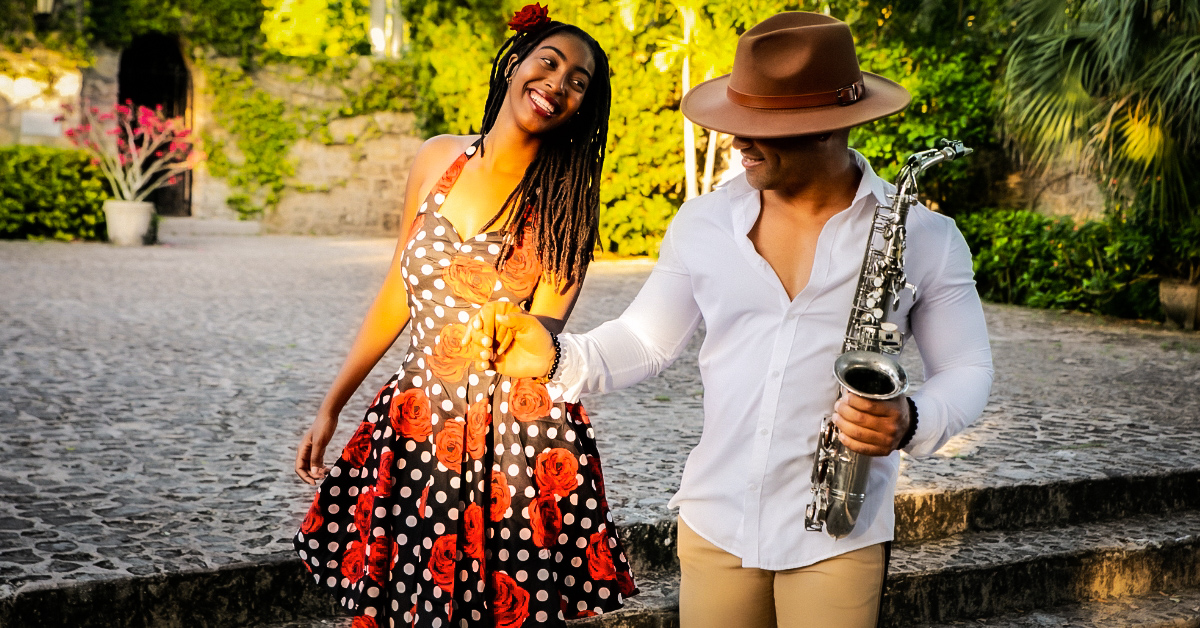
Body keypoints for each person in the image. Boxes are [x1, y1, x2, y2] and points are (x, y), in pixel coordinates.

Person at [463, 12, 993, 628]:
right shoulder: (703, 222)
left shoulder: (926, 237)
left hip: (837, 532)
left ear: (827, 130)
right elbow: (644, 339)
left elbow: (967, 368)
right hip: (715, 522)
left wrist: (911, 419)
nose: (737, 141)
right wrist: (554, 354)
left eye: (758, 128)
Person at [292, 6, 639, 627]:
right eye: (550, 62)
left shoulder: (567, 201)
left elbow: (545, 339)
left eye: (579, 81)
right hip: (417, 425)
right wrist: (333, 403)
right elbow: (398, 290)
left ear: (584, 106)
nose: (558, 83)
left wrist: (515, 324)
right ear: (516, 63)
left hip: (511, 445)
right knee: (411, 605)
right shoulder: (437, 159)